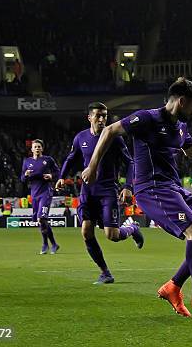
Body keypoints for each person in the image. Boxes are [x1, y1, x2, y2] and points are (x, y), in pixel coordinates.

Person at [81, 77, 192, 318]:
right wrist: (93, 166)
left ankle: (173, 287)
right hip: (152, 189)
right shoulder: (146, 118)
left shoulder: (180, 125)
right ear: (181, 101)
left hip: (173, 188)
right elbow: (109, 130)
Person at [56, 102, 144, 284]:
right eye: (98, 115)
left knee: (112, 235)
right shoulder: (80, 138)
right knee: (86, 232)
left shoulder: (115, 138)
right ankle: (105, 272)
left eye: (105, 115)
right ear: (89, 118)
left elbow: (131, 163)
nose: (103, 119)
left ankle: (132, 228)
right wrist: (61, 177)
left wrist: (128, 186)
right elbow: (71, 159)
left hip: (107, 192)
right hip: (87, 192)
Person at [21, 139, 60, 255]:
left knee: (42, 218)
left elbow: (58, 173)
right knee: (41, 221)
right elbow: (22, 179)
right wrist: (26, 175)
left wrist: (51, 176)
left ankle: (45, 244)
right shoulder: (27, 162)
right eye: (35, 147)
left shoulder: (48, 160)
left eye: (39, 146)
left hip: (46, 192)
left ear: (42, 148)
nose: (37, 148)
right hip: (34, 194)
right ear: (32, 149)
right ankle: (53, 244)